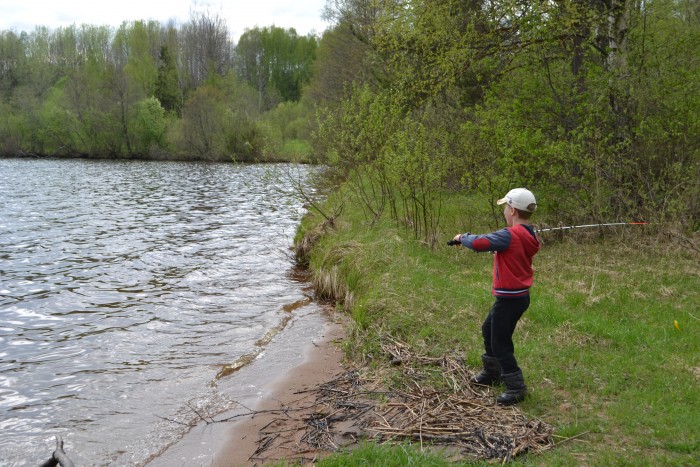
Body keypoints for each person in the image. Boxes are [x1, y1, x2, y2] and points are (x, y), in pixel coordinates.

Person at [452, 188, 540, 405]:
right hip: (516, 298)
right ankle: (492, 373)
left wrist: (462, 238)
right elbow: (513, 250)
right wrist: (502, 250)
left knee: (500, 341)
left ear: (512, 210)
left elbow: (479, 243)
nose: (504, 211)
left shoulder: (509, 235)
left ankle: (516, 387)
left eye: (505, 208)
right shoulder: (527, 234)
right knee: (488, 328)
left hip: (511, 299)